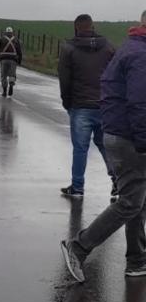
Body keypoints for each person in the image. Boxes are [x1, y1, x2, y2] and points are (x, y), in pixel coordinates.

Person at [61, 10, 146, 282]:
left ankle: (136, 260)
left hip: (119, 133)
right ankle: (79, 246)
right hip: (130, 137)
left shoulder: (129, 47)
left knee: (137, 198)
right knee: (131, 201)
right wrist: (144, 142)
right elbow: (139, 103)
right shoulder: (140, 55)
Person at [58, 14, 115, 197]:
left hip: (80, 105)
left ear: (76, 28)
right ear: (93, 26)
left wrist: (67, 102)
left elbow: (64, 79)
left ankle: (78, 186)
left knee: (81, 148)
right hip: (104, 105)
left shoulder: (69, 49)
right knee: (105, 145)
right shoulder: (108, 47)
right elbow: (115, 75)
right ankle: (118, 181)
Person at [0, 27, 22, 97]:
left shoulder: (2, 39)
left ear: (6, 32)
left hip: (4, 59)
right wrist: (19, 61)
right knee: (12, 74)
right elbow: (19, 52)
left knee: (3, 76)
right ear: (12, 32)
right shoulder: (16, 40)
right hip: (13, 60)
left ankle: (4, 91)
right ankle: (11, 86)